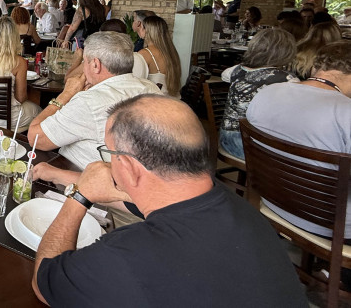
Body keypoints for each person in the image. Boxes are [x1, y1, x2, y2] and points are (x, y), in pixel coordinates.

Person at [31, 95, 307, 307]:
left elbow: (44, 283)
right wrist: (103, 188)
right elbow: (152, 203)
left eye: (110, 153)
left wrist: (78, 197)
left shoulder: (126, 256)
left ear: (128, 166)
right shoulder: (241, 211)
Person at [247, 41, 351, 239]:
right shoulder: (345, 111)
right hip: (326, 222)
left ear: (315, 67)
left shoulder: (268, 92)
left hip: (272, 201)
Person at [27, 32, 161, 170]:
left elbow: (35, 138)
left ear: (96, 64)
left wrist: (65, 95)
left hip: (76, 176)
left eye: (85, 61)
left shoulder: (88, 102)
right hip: (134, 176)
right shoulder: (152, 89)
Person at [218, 28, 298, 160]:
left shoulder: (235, 70)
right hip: (251, 146)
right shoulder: (288, 79)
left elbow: (224, 76)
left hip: (227, 138)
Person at [0, 17, 40, 129]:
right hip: (6, 118)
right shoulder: (18, 62)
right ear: (14, 36)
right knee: (40, 111)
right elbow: (21, 98)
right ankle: (25, 143)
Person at [136, 15, 182, 97]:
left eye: (141, 26)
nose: (138, 29)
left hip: (155, 102)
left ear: (147, 30)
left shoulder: (145, 53)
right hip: (173, 100)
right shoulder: (171, 52)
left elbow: (135, 83)